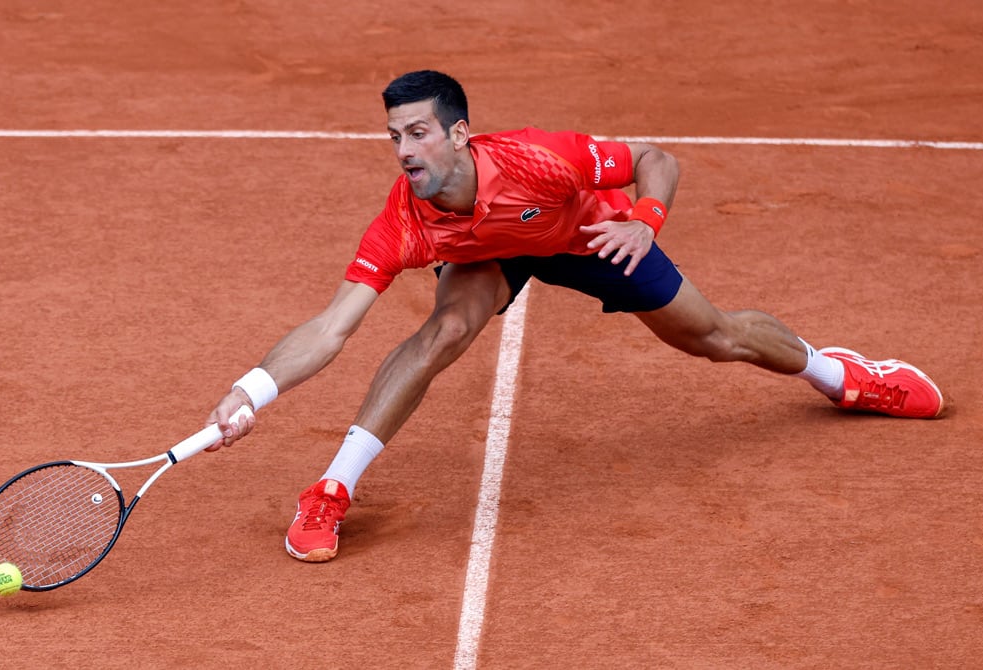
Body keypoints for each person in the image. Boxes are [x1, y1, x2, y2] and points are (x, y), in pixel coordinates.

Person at [206, 70, 944, 563]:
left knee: (714, 338)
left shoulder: (540, 158)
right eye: (395, 135)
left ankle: (839, 373)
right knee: (443, 331)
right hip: (486, 253)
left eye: (418, 133)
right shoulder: (403, 221)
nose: (404, 150)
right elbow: (332, 327)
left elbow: (657, 156)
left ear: (459, 134)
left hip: (589, 234)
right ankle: (332, 489)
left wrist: (646, 222)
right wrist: (253, 389)